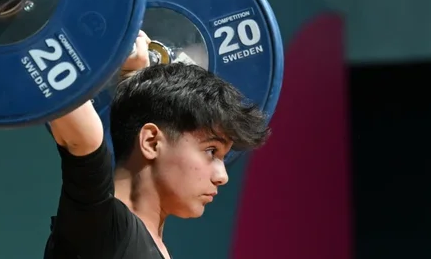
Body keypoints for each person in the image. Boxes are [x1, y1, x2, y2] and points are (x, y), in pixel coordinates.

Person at [43, 31, 271, 259]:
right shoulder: (101, 228)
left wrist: (134, 77)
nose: (222, 176)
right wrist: (103, 48)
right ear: (152, 142)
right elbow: (79, 129)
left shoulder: (144, 242)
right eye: (211, 151)